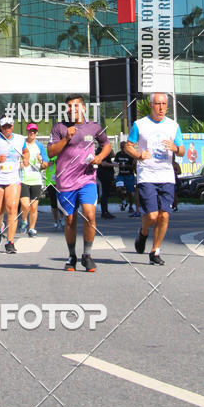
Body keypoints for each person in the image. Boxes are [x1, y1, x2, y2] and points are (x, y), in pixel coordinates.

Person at [48, 94, 111, 273]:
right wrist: (66, 138)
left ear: (83, 108)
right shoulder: (59, 127)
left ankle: (88, 255)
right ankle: (71, 256)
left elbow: (106, 144)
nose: (71, 110)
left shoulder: (93, 127)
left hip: (87, 178)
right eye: (68, 107)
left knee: (90, 214)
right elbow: (51, 152)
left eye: (75, 106)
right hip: (66, 181)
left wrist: (99, 157)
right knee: (70, 219)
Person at [125, 92, 185, 265]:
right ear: (151, 105)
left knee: (164, 215)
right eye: (158, 104)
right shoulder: (140, 124)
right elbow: (128, 146)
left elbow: (182, 150)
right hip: (147, 174)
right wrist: (138, 154)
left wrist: (174, 147)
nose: (161, 108)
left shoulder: (173, 126)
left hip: (166, 174)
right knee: (152, 216)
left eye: (164, 104)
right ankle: (143, 233)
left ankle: (155, 251)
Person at [0, 115, 29, 254]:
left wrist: (25, 159)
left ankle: (10, 242)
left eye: (9, 126)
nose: (7, 128)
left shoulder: (20, 139)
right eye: (4, 126)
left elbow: (25, 152)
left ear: (12, 126)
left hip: (13, 179)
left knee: (12, 209)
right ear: (1, 127)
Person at [19, 123, 48, 236]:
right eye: (30, 131)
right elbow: (15, 158)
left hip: (36, 180)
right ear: (27, 131)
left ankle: (32, 228)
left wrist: (41, 162)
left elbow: (45, 164)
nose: (32, 133)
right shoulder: (22, 145)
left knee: (34, 206)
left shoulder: (40, 146)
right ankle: (24, 220)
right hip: (23, 179)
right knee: (25, 205)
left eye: (34, 131)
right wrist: (20, 163)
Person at [114, 140, 137, 214]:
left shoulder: (129, 155)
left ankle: (130, 206)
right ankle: (123, 201)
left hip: (129, 175)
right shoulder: (118, 154)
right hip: (121, 175)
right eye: (121, 147)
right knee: (119, 188)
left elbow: (134, 165)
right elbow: (115, 163)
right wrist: (118, 165)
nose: (122, 148)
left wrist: (127, 166)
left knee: (130, 192)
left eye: (123, 147)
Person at [42, 153, 60, 230]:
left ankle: (62, 218)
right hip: (50, 182)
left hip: (61, 180)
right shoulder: (46, 152)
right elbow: (42, 165)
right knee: (54, 203)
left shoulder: (62, 151)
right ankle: (55, 220)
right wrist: (47, 164)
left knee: (62, 201)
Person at [97, 151, 116, 219]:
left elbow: (111, 158)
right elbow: (103, 163)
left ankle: (106, 211)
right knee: (104, 193)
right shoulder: (101, 150)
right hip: (104, 174)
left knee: (106, 193)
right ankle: (104, 212)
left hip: (108, 174)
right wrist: (114, 165)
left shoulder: (107, 151)